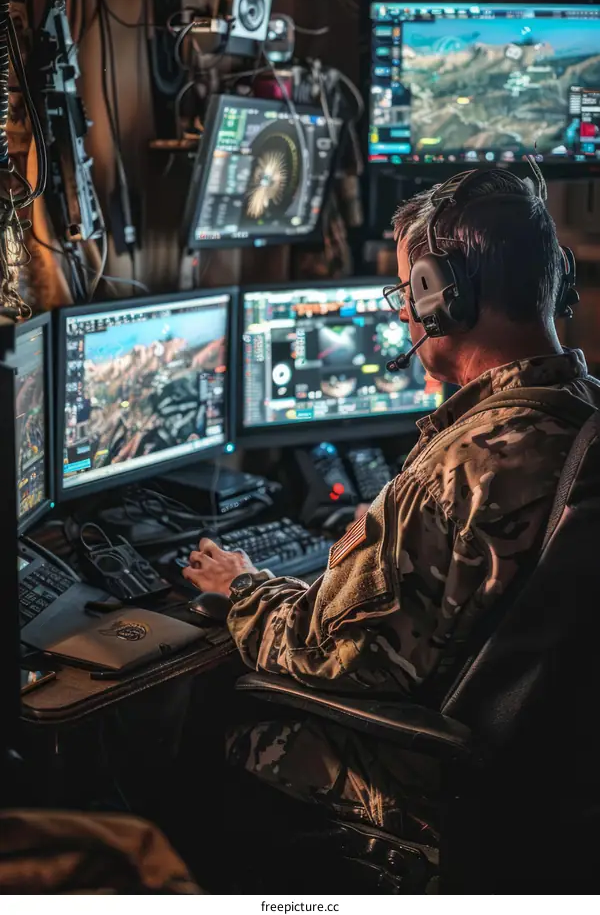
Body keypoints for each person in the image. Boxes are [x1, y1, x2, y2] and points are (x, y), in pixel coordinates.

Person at [182, 165, 600, 839]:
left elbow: (328, 654)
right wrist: (392, 539)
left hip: (451, 789)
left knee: (218, 723)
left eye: (409, 291)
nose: (404, 311)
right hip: (559, 779)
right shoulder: (584, 414)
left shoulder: (459, 468)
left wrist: (243, 587)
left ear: (445, 300)